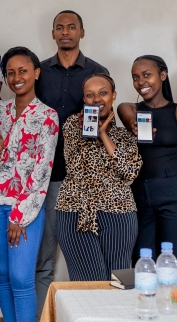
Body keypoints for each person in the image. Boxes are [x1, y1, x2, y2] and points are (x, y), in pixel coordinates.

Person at [34, 10, 108, 314]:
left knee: (87, 258)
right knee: (43, 260)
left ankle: (89, 317)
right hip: (47, 175)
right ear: (53, 34)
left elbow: (106, 115)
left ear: (82, 32)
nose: (66, 32)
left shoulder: (97, 71)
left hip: (85, 179)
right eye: (60, 27)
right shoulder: (38, 71)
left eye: (72, 27)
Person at [0, 46, 59, 322]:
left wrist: (19, 216)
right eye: (10, 73)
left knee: (21, 279)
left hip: (25, 208)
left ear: (36, 73)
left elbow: (42, 172)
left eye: (22, 71)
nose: (16, 77)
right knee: (2, 276)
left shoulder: (48, 116)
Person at [117, 55, 177, 278]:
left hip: (175, 193)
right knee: (142, 268)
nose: (141, 81)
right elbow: (124, 110)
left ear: (162, 76)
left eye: (147, 75)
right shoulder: (131, 110)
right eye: (135, 77)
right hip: (140, 197)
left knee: (173, 269)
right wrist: (132, 123)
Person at [55, 73, 141, 281]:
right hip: (75, 211)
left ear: (113, 96)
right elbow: (76, 163)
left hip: (119, 214)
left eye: (103, 93)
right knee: (88, 283)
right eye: (90, 95)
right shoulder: (72, 126)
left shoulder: (125, 136)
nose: (97, 99)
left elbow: (129, 172)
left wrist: (104, 134)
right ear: (84, 100)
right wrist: (93, 128)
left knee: (119, 281)